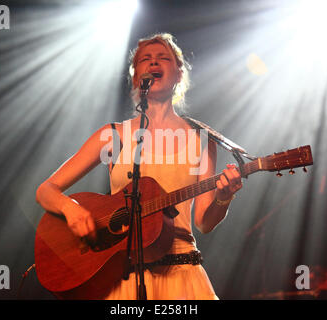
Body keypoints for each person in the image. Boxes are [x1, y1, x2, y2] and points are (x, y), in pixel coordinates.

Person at [35, 33, 242, 300]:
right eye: (145, 58)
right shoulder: (113, 136)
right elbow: (45, 190)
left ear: (179, 73)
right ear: (136, 77)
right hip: (124, 276)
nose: (154, 62)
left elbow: (203, 222)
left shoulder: (201, 140)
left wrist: (223, 199)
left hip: (182, 273)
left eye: (163, 58)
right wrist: (70, 210)